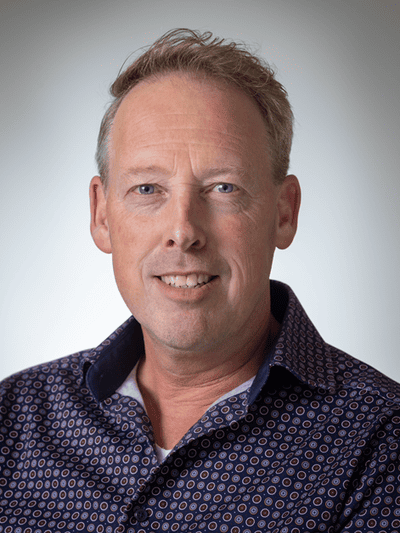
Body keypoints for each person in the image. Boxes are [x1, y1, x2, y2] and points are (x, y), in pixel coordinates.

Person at [0, 28, 399, 533]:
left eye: (224, 187)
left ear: (284, 212)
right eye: (148, 188)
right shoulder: (13, 419)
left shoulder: (380, 444)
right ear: (101, 215)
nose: (183, 231)